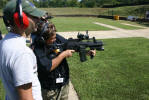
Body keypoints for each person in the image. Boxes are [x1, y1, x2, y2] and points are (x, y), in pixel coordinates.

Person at [33, 22, 96, 100]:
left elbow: (68, 44)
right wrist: (63, 55)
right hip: (50, 89)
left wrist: (86, 51)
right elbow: (47, 67)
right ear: (43, 39)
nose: (55, 40)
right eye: (52, 39)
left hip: (64, 84)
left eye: (55, 37)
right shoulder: (38, 48)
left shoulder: (56, 37)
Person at [0, 0, 46, 100]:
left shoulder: (4, 42)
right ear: (20, 19)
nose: (39, 19)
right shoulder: (22, 53)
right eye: (34, 17)